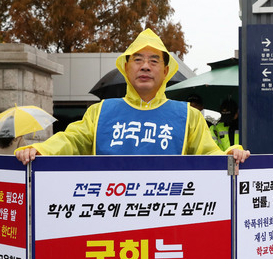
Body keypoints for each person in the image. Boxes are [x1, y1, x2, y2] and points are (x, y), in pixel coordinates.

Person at [15, 29, 250, 165]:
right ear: (126, 68)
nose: (145, 66)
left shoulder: (188, 116)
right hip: (110, 217)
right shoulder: (101, 112)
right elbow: (71, 139)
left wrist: (230, 154)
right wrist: (41, 150)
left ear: (166, 71)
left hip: (169, 219)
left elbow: (209, 152)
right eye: (137, 60)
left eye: (154, 60)